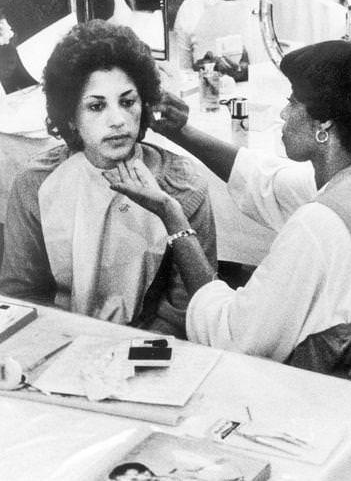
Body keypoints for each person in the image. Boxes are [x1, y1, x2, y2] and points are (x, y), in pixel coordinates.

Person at [106, 40, 351, 480]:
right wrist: (182, 132)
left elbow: (233, 336)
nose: (282, 114)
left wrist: (173, 216)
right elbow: (264, 182)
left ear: (324, 123)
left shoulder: (320, 228)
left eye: (292, 103)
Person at [0, 20, 217, 337]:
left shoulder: (184, 185)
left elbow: (187, 308)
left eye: (127, 102)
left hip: (155, 350)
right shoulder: (35, 183)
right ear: (70, 117)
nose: (117, 120)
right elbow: (22, 294)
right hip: (60, 342)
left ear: (144, 104)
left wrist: (126, 356)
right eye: (96, 106)